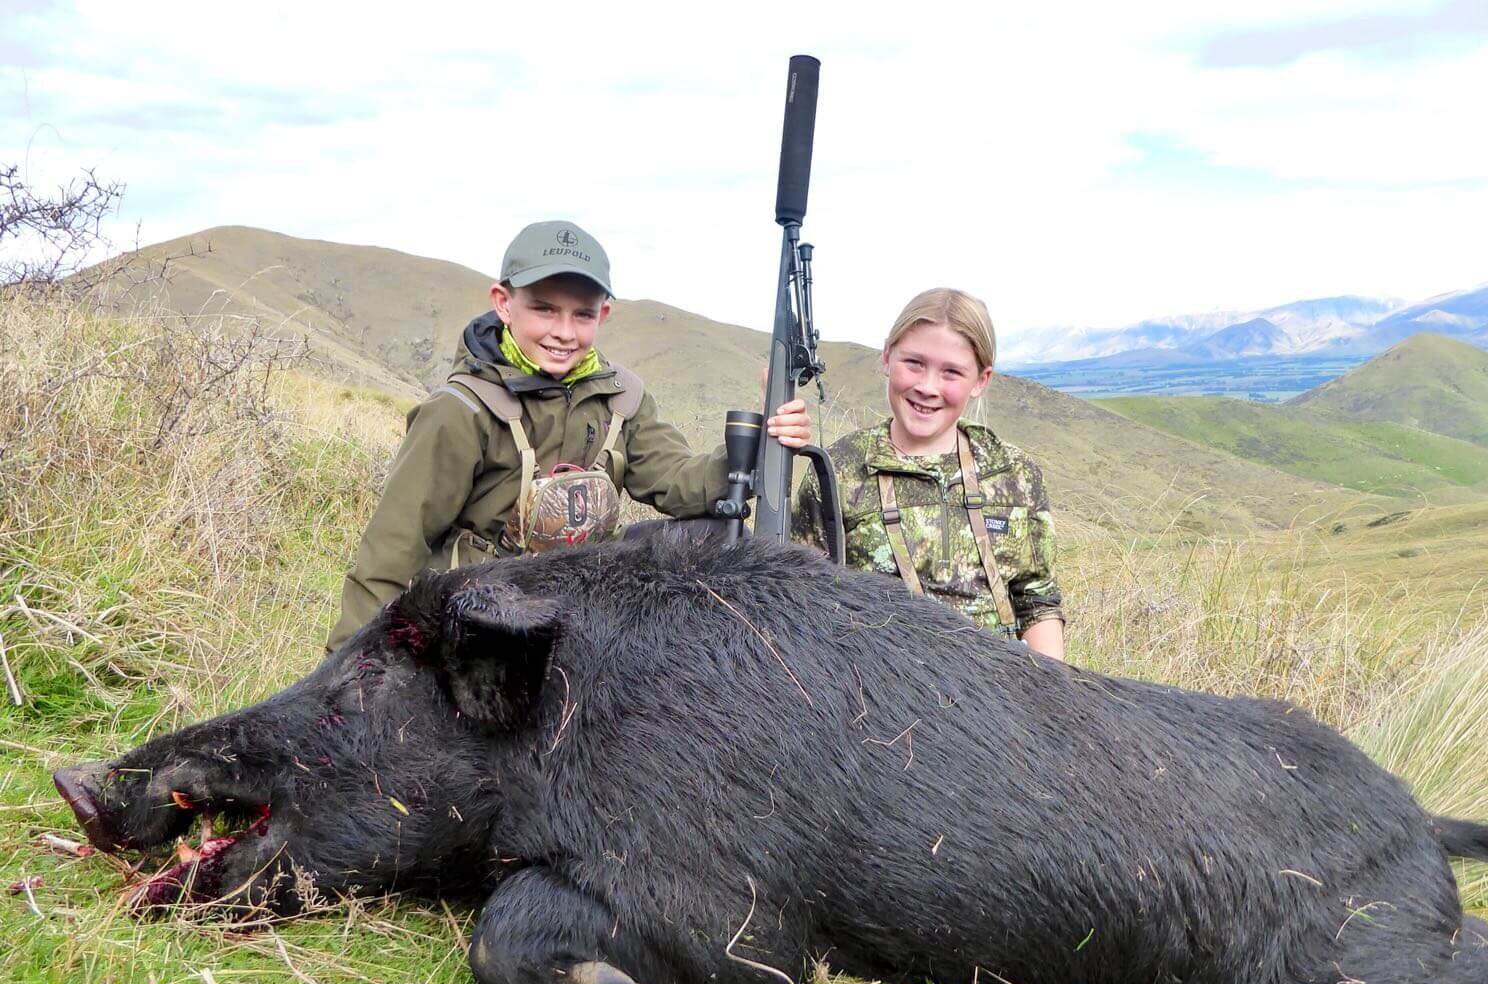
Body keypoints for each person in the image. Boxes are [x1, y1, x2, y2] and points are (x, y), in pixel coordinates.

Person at [327, 221, 812, 651]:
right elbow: (390, 553)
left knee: (710, 538)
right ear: (503, 304)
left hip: (583, 604)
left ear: (602, 316)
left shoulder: (622, 399)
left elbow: (682, 482)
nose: (563, 331)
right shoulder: (458, 413)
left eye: (582, 315)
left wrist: (760, 439)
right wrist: (349, 680)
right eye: (543, 309)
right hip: (480, 617)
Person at [793, 287, 1065, 658]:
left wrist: (1049, 698)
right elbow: (804, 605)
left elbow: (1037, 602)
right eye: (914, 363)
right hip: (879, 694)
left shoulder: (1015, 474)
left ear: (980, 381)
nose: (927, 387)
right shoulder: (836, 472)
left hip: (1000, 698)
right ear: (887, 357)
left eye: (951, 372)